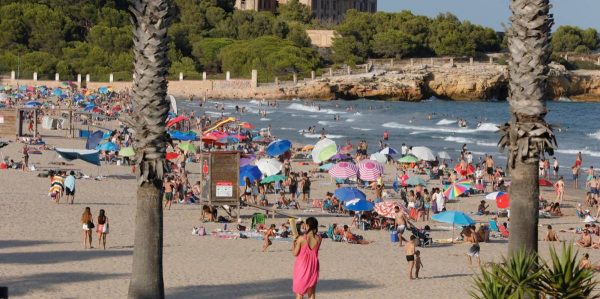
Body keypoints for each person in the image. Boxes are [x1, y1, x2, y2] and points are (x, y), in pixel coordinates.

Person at [292, 217, 321, 299]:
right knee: (311, 293)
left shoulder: (301, 239)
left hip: (302, 266)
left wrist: (294, 242)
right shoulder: (319, 238)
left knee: (299, 293)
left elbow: (295, 253)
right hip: (314, 266)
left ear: (308, 225)